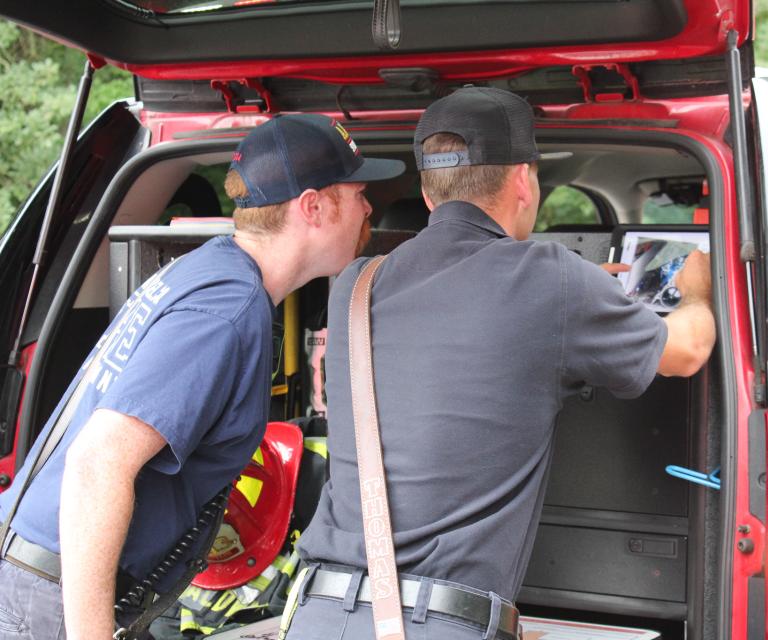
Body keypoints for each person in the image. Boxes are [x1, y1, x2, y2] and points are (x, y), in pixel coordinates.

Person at [282, 88, 715, 639]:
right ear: (523, 180)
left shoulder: (355, 284)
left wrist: (582, 300)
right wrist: (698, 292)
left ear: (427, 190)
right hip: (435, 626)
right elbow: (688, 351)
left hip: (316, 613)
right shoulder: (552, 281)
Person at [0, 114, 405, 640]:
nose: (370, 207)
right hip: (57, 603)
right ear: (314, 206)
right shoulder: (224, 310)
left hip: (53, 586)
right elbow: (98, 462)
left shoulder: (208, 273)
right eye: (358, 193)